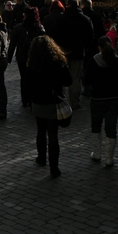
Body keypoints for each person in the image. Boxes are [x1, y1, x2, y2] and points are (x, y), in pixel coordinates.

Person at [27, 35, 72, 178]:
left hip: (38, 102)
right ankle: (54, 167)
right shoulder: (58, 62)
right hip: (53, 102)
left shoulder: (32, 63)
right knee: (53, 134)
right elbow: (68, 81)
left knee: (41, 130)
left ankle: (41, 158)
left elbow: (27, 85)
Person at [84, 36, 118, 167]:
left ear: (99, 47)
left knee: (96, 126)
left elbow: (86, 80)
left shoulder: (93, 61)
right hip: (113, 99)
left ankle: (97, 153)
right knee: (111, 127)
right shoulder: (116, 61)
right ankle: (109, 158)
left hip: (97, 98)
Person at [51, 0, 94, 109]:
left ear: (67, 5)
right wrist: (85, 47)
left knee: (61, 76)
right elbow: (90, 36)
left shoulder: (61, 19)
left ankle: (61, 99)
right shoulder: (85, 19)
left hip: (63, 52)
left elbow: (54, 35)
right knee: (75, 77)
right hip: (78, 52)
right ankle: (74, 101)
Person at [8, 6, 45, 107]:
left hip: (22, 56)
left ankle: (25, 99)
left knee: (24, 77)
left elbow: (13, 43)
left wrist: (8, 58)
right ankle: (33, 97)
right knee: (34, 77)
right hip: (35, 56)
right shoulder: (39, 27)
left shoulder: (19, 27)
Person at [80, 0, 106, 96]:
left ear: (83, 5)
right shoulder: (97, 16)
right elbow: (101, 31)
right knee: (96, 65)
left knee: (85, 67)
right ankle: (96, 86)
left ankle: (87, 88)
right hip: (96, 46)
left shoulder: (82, 16)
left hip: (85, 46)